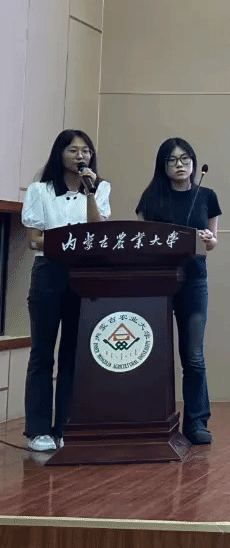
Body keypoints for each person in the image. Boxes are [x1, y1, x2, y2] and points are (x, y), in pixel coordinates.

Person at [21, 130, 111, 452]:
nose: (80, 156)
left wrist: (90, 193)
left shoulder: (100, 188)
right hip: (49, 272)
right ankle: (38, 430)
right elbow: (34, 239)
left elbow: (98, 233)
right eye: (73, 150)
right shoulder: (40, 190)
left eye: (85, 150)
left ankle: (65, 427)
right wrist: (70, 240)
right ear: (59, 154)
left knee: (73, 352)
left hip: (83, 273)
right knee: (42, 352)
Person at [135, 138, 220, 445]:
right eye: (171, 160)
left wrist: (209, 239)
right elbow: (142, 241)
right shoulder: (151, 197)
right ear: (163, 166)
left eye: (185, 159)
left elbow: (212, 243)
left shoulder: (206, 196)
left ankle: (197, 422)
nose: (179, 165)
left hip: (194, 282)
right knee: (154, 354)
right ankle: (153, 417)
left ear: (194, 163)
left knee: (193, 357)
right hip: (158, 282)